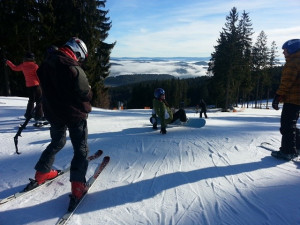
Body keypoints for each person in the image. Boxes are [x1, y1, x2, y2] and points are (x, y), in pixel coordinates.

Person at [24, 37, 92, 212]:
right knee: (81, 149)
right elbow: (85, 93)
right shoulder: (73, 67)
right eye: (81, 57)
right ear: (77, 52)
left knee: (57, 142)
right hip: (74, 114)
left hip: (53, 113)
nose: (80, 60)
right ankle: (77, 187)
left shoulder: (46, 64)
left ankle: (41, 173)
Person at [271, 39, 300, 161]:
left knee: (287, 126)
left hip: (293, 99)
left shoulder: (293, 62)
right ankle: (296, 147)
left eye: (285, 50)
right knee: (291, 124)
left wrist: (278, 96)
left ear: (292, 49)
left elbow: (287, 82)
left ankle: (288, 151)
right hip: (297, 98)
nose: (283, 53)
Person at [5, 52, 44, 121]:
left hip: (29, 85)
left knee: (31, 100)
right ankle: (39, 115)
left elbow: (14, 68)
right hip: (36, 85)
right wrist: (42, 83)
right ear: (32, 58)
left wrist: (7, 61)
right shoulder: (35, 66)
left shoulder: (23, 65)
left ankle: (28, 114)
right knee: (39, 100)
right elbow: (38, 76)